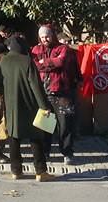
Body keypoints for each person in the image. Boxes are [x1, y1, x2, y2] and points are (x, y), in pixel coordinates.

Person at [0, 35, 57, 181]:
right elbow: (35, 85)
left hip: (11, 104)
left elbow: (0, 83)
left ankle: (16, 171)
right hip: (29, 104)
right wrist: (44, 106)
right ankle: (40, 171)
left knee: (14, 137)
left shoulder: (3, 61)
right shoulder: (27, 61)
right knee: (36, 137)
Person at [31, 25, 80, 165]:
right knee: (45, 125)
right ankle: (45, 152)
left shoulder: (64, 49)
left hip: (63, 93)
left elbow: (61, 61)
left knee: (66, 124)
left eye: (47, 36)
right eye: (42, 37)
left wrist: (43, 63)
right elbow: (34, 65)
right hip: (44, 94)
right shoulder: (35, 49)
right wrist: (50, 63)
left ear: (53, 35)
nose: (45, 39)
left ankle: (67, 152)